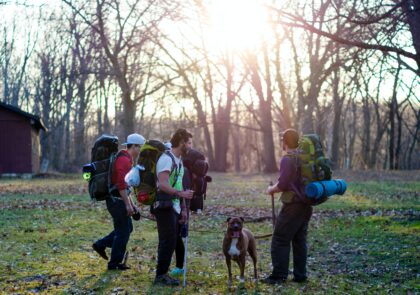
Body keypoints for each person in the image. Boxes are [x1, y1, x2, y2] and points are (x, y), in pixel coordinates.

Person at [262, 128, 313, 284]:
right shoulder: (304, 158)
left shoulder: (287, 159)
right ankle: (300, 275)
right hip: (307, 204)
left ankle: (278, 276)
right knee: (299, 240)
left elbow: (283, 184)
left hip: (293, 206)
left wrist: (271, 189)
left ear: (284, 142)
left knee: (280, 238)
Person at [92, 133, 145, 270]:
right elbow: (121, 185)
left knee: (126, 229)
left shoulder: (127, 159)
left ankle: (100, 245)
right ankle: (114, 263)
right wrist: (128, 205)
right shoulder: (123, 160)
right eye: (139, 147)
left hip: (119, 200)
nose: (140, 150)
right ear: (133, 146)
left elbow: (127, 188)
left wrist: (133, 206)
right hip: (116, 201)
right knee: (123, 232)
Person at [153, 128, 194, 286]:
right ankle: (160, 275)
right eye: (189, 143)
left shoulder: (179, 161)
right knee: (167, 240)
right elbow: (162, 184)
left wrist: (183, 209)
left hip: (175, 206)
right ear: (182, 142)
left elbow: (178, 185)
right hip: (163, 205)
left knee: (171, 240)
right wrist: (181, 194)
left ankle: (162, 273)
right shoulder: (166, 159)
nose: (190, 146)